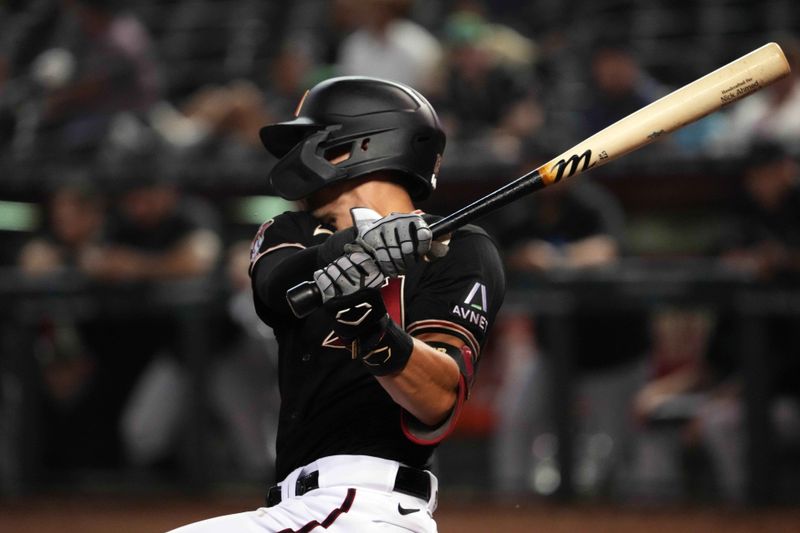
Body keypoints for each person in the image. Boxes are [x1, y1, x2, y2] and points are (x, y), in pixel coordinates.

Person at [170, 76, 505, 532]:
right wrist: (356, 248)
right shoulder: (289, 230)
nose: (294, 153)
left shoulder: (458, 247)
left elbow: (438, 400)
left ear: (353, 145)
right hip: (297, 508)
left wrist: (372, 327)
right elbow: (276, 290)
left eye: (308, 137)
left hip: (369, 508)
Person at [490, 179, 649, 498]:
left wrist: (555, 256)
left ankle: (624, 518)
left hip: (611, 349)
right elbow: (495, 247)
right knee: (517, 416)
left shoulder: (592, 202)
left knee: (615, 447)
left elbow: (609, 249)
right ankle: (511, 507)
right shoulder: (522, 206)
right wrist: (517, 257)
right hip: (553, 348)